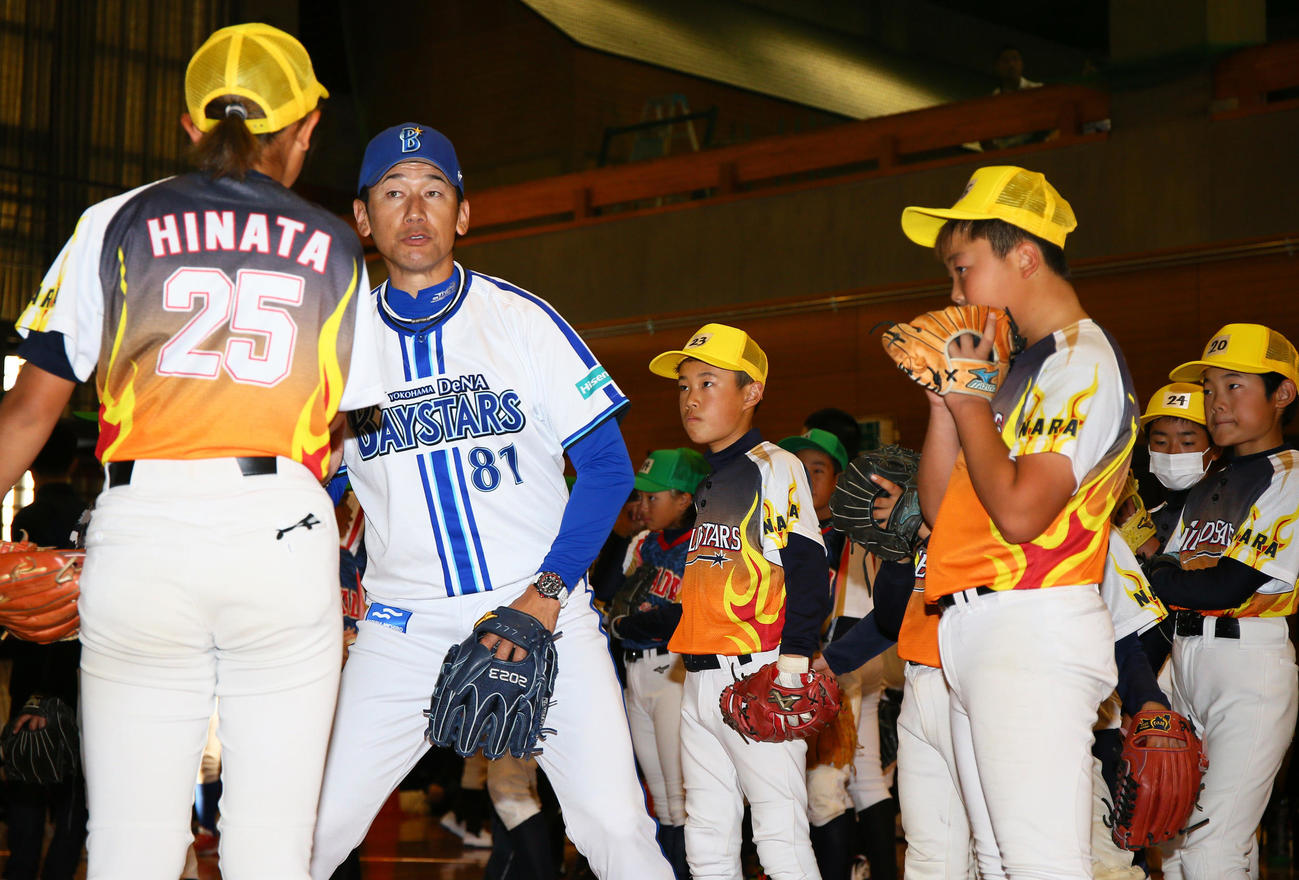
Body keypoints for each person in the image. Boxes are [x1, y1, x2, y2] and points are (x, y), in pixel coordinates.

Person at [0, 22, 385, 879]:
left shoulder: (114, 221)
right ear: (307, 127)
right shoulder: (339, 249)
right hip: (281, 529)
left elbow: (27, 415)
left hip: (145, 528)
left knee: (130, 849)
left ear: (187, 125)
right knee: (272, 847)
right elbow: (362, 431)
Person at [308, 123, 672, 880]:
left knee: (615, 830)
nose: (415, 210)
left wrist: (544, 594)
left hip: (541, 610)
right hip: (400, 629)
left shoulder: (522, 320)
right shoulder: (334, 344)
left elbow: (605, 469)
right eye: (394, 193)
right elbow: (318, 487)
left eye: (434, 192)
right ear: (362, 217)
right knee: (310, 832)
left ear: (462, 215)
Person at [903, 165, 1138, 879]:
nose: (953, 292)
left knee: (1040, 865)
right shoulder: (1016, 369)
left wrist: (971, 400)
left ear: (1024, 256)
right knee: (999, 861)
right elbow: (942, 510)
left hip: (1031, 622)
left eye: (962, 268)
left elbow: (1019, 511)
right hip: (977, 627)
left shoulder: (1081, 360)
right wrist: (947, 402)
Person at [647, 323, 832, 880]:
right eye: (683, 386)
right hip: (697, 677)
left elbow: (805, 563)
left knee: (779, 836)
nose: (691, 397)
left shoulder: (774, 465)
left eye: (708, 381)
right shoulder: (713, 475)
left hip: (756, 670)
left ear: (751, 393)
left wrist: (795, 660)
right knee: (707, 841)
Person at [1145, 324, 1299, 880]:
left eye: (1235, 386)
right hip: (1184, 660)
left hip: (1247, 667)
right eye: (1210, 389)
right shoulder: (1215, 481)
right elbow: (1176, 579)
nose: (1217, 403)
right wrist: (1168, 571)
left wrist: (1158, 569)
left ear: (1281, 394)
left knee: (1211, 848)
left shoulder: (1292, 476)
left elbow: (1220, 588)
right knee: (1174, 842)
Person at [606, 447, 709, 880]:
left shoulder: (702, 544)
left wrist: (634, 622)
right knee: (662, 799)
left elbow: (691, 614)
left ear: (685, 498)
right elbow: (607, 592)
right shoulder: (639, 544)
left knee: (683, 796)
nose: (641, 506)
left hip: (675, 671)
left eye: (653, 497)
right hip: (634, 672)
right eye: (640, 498)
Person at [3, 422, 88, 880]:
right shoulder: (88, 517)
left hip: (31, 672)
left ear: (31, 461)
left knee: (26, 777)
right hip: (78, 676)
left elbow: (23, 607)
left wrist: (35, 692)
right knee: (72, 789)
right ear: (75, 462)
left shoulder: (27, 520)